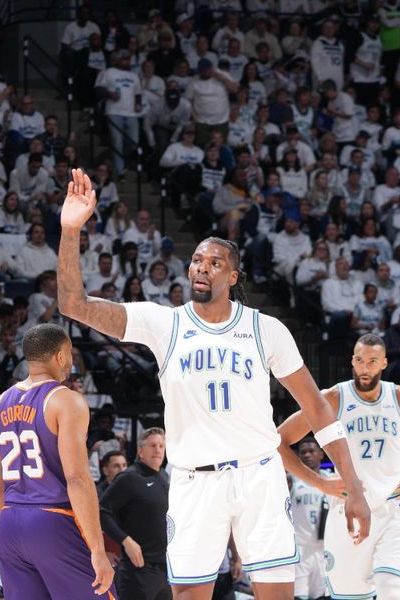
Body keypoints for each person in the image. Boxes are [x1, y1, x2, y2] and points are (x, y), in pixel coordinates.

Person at [57, 168, 370, 600]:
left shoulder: (267, 329)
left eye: (214, 262)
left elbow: (317, 409)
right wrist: (71, 230)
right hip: (192, 481)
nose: (202, 267)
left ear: (233, 277)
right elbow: (73, 304)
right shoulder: (163, 324)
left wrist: (352, 486)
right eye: (197, 260)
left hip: (258, 476)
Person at [277, 334, 400, 599]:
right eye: (359, 360)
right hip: (350, 507)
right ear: (352, 362)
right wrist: (319, 482)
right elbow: (280, 440)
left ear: (384, 363)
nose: (364, 368)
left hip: (395, 505)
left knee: (392, 590)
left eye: (372, 361)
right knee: (350, 595)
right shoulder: (333, 398)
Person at [0, 323, 115, 599]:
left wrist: (11, 530)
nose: (71, 361)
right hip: (53, 520)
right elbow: (77, 479)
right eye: (70, 354)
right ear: (59, 355)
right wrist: (98, 550)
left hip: (9, 521)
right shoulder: (66, 400)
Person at [100, 427, 170, 600]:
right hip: (137, 570)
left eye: (161, 446)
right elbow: (101, 512)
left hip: (164, 569)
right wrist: (126, 541)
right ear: (140, 450)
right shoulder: (129, 478)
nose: (158, 450)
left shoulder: (163, 477)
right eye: (153, 445)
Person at [289, 437, 328, 600]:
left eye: (311, 451)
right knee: (299, 597)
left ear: (321, 454)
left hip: (324, 550)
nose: (307, 455)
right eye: (303, 452)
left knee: (323, 596)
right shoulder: (291, 479)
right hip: (300, 550)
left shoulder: (331, 480)